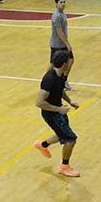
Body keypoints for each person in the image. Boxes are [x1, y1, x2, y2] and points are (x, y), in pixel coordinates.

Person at [33, 48, 81, 177]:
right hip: (51, 113)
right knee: (70, 139)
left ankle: (42, 145)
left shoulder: (61, 75)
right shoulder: (49, 79)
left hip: (59, 111)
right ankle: (64, 167)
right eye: (69, 62)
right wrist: (59, 109)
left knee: (62, 134)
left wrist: (70, 101)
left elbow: (60, 90)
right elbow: (39, 102)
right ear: (65, 64)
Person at [50, 0, 75, 92]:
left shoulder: (63, 13)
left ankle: (63, 81)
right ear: (56, 4)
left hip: (62, 44)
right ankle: (48, 81)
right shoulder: (56, 16)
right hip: (57, 44)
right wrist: (67, 44)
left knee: (70, 60)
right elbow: (59, 32)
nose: (63, 4)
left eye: (64, 2)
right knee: (54, 65)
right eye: (61, 2)